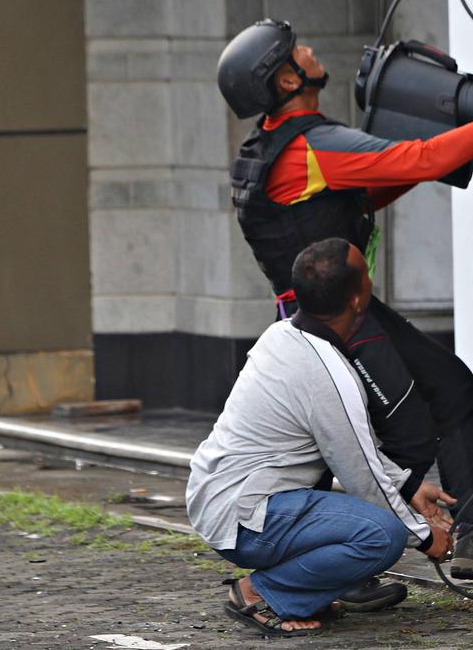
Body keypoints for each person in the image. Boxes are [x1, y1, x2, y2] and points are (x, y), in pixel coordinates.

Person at [216, 18, 473, 582]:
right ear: (286, 80)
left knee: (448, 389)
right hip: (334, 323)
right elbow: (416, 160)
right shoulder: (313, 145)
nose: (308, 48)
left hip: (329, 314)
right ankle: (338, 566)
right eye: (296, 50)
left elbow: (374, 185)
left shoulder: (276, 145)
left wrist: (444, 150)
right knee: (380, 437)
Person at [185, 238, 455, 636]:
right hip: (247, 516)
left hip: (221, 502)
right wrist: (423, 535)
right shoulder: (328, 373)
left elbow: (351, 447)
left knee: (370, 521)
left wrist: (408, 486)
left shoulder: (282, 335)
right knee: (382, 535)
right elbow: (360, 474)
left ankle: (303, 587)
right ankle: (261, 593)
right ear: (359, 299)